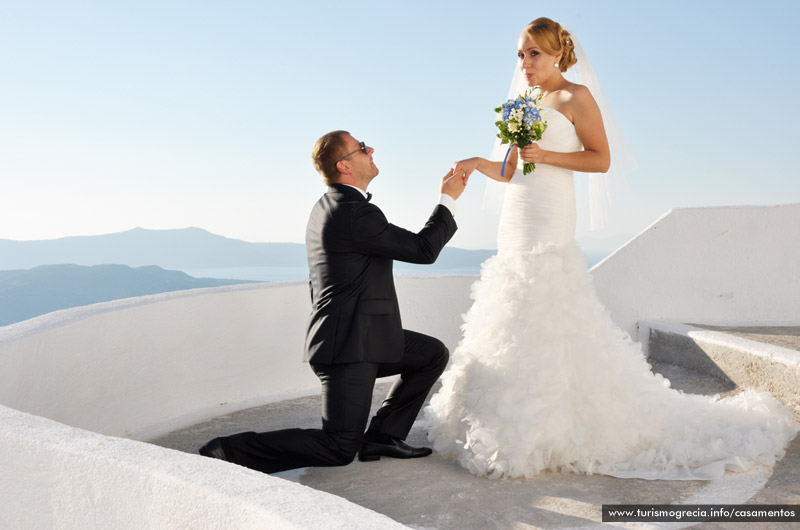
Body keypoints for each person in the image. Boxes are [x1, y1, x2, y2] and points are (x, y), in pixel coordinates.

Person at [424, 17, 797, 480]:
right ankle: (510, 419)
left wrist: (550, 156)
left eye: (533, 53)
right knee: (512, 298)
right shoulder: (522, 100)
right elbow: (512, 168)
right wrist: (477, 162)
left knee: (547, 298)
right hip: (516, 214)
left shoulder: (576, 97)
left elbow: (600, 159)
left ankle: (555, 423)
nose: (525, 63)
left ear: (557, 54)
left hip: (551, 212)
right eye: (520, 55)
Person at [199, 130, 465, 473]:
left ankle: (383, 436)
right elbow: (423, 250)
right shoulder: (353, 213)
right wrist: (448, 199)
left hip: (365, 336)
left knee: (431, 354)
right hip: (348, 346)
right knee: (338, 447)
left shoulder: (331, 205)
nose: (372, 150)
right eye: (363, 147)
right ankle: (226, 452)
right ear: (344, 165)